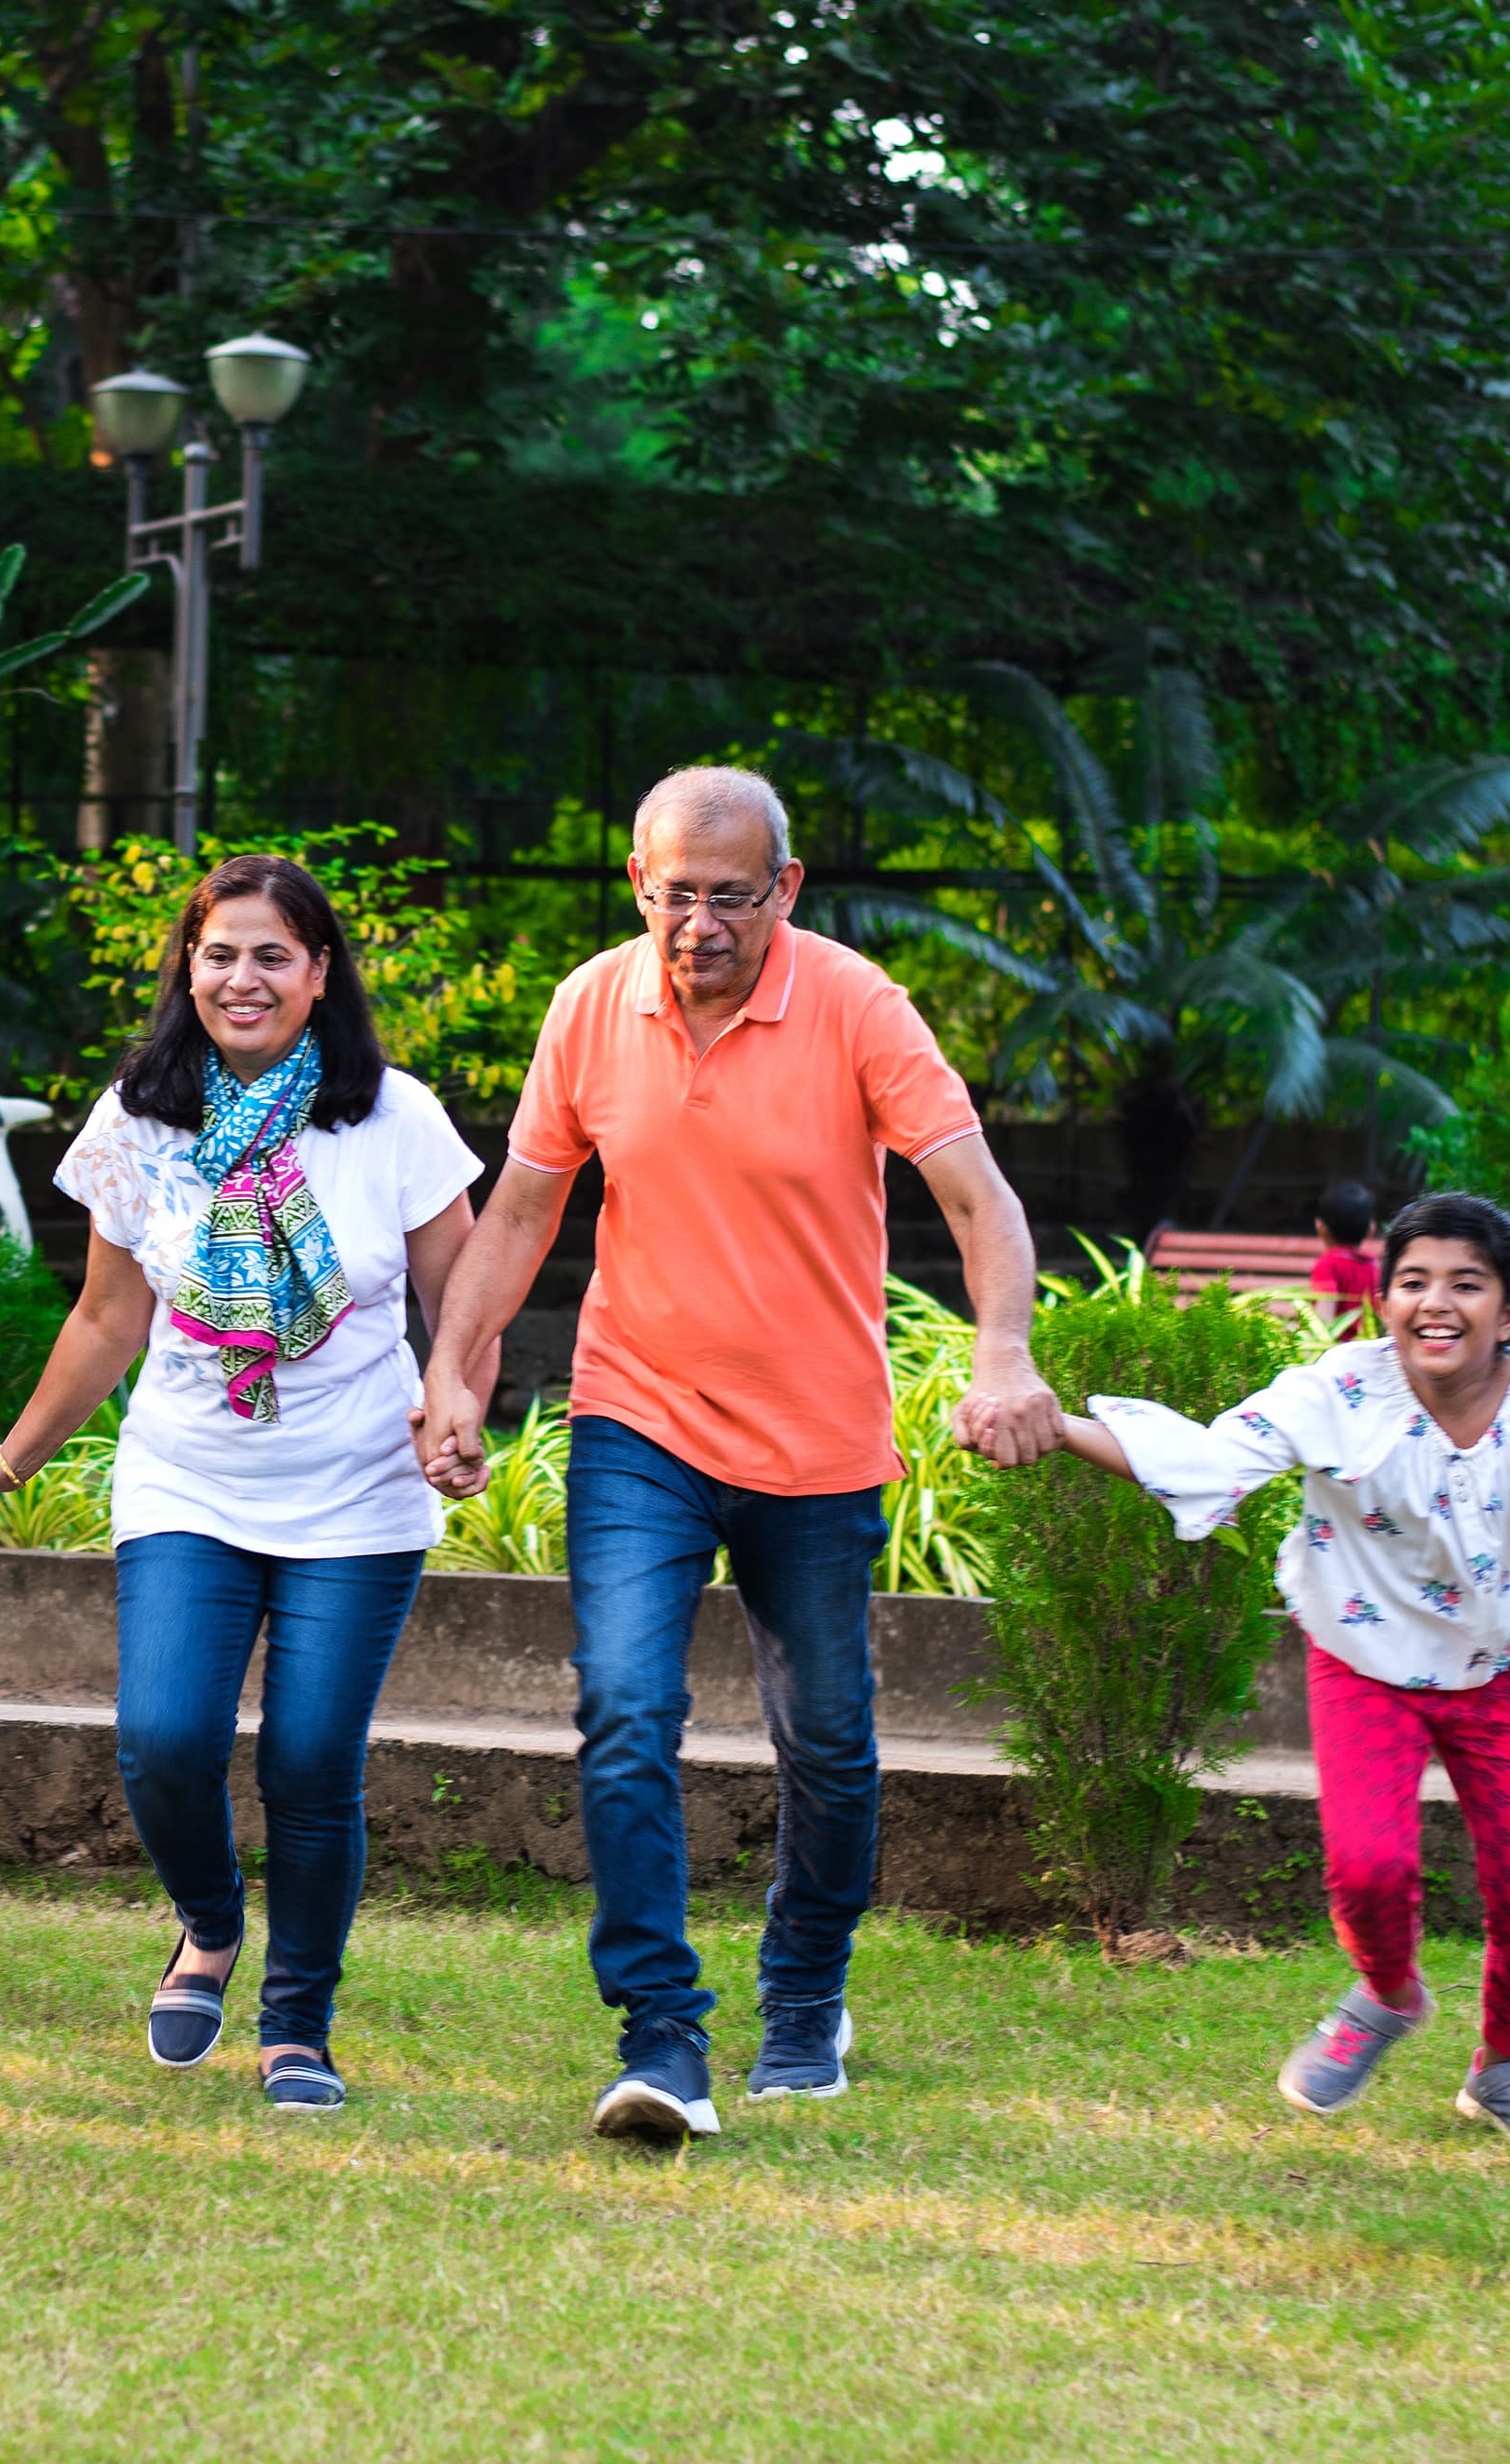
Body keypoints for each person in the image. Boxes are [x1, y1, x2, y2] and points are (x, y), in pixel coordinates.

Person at [414, 765, 1069, 2146]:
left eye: (730, 896)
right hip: (638, 1417)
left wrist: (1003, 1353)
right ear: (637, 885)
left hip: (817, 1436)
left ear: (785, 889)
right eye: (675, 895)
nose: (699, 924)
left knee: (823, 1735)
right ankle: (661, 2033)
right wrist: (453, 1373)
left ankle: (806, 1990)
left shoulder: (856, 1004)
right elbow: (522, 1211)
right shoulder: (591, 1004)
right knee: (625, 1705)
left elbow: (977, 1197)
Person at [0, 855, 484, 2114]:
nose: (243, 978)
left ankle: (298, 2027)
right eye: (220, 952)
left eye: (272, 954)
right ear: (188, 966)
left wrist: (453, 1404)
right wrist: (6, 1458)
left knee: (312, 1761)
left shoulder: (394, 1118)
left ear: (319, 972)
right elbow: (105, 1319)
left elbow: (463, 1304)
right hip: (189, 1479)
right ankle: (212, 1920)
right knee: (165, 1739)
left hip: (358, 1492)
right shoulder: (139, 1118)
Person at [1048, 1190, 1510, 2142]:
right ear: (1383, 1299)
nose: (1436, 1302)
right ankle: (1388, 1994)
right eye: (1413, 1281)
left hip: (1499, 1663)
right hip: (1360, 1657)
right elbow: (1205, 1461)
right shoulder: (1336, 1392)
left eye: (1466, 1284)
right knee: (1367, 1866)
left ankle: (1504, 2064)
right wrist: (1055, 1429)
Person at [1307, 1177, 1382, 1333]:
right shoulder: (1375, 1267)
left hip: (1336, 1347)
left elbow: (1323, 1321)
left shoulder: (1328, 1265)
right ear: (1371, 1229)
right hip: (1368, 1344)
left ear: (1320, 1226)